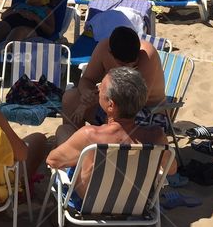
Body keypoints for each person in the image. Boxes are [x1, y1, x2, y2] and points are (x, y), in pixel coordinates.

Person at [49, 67, 173, 198]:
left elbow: (52, 160)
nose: (97, 89)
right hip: (135, 202)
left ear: (111, 105)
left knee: (64, 130)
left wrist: (80, 158)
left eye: (101, 88)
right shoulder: (157, 136)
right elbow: (171, 169)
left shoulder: (89, 135)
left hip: (91, 203)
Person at [60, 26, 165, 132]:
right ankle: (73, 139)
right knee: (70, 99)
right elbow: (87, 79)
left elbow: (133, 100)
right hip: (113, 104)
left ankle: (107, 140)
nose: (128, 68)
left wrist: (87, 104)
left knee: (117, 112)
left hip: (148, 112)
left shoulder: (147, 55)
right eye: (122, 64)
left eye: (133, 65)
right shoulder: (103, 48)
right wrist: (86, 94)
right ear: (110, 53)